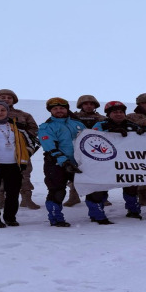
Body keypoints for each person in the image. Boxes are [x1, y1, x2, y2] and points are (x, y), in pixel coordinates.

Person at [0, 89, 41, 210]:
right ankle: (0, 200)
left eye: (9, 98)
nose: (6, 99)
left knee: (24, 175)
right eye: (3, 97)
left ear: (14, 100)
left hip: (20, 152)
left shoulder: (23, 115)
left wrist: (22, 137)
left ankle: (27, 199)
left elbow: (34, 130)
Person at [37, 97, 87, 226]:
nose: (59, 110)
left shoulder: (78, 124)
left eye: (62, 108)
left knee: (93, 187)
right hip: (56, 164)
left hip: (79, 162)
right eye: (55, 108)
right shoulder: (46, 127)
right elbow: (49, 146)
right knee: (57, 191)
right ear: (50, 111)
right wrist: (64, 161)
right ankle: (56, 218)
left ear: (67, 109)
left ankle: (97, 215)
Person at [93, 101, 146, 220]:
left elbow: (144, 143)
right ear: (108, 114)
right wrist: (111, 133)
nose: (118, 114)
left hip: (127, 163)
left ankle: (133, 210)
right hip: (105, 163)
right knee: (102, 188)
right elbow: (92, 138)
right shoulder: (101, 125)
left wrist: (143, 134)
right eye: (115, 112)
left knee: (131, 187)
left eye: (121, 112)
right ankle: (97, 214)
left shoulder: (133, 126)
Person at [63, 95, 105, 207]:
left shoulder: (102, 118)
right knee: (75, 172)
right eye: (86, 104)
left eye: (91, 104)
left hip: (97, 150)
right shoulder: (72, 117)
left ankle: (101, 196)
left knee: (99, 173)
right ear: (81, 105)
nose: (89, 106)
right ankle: (74, 196)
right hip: (76, 149)